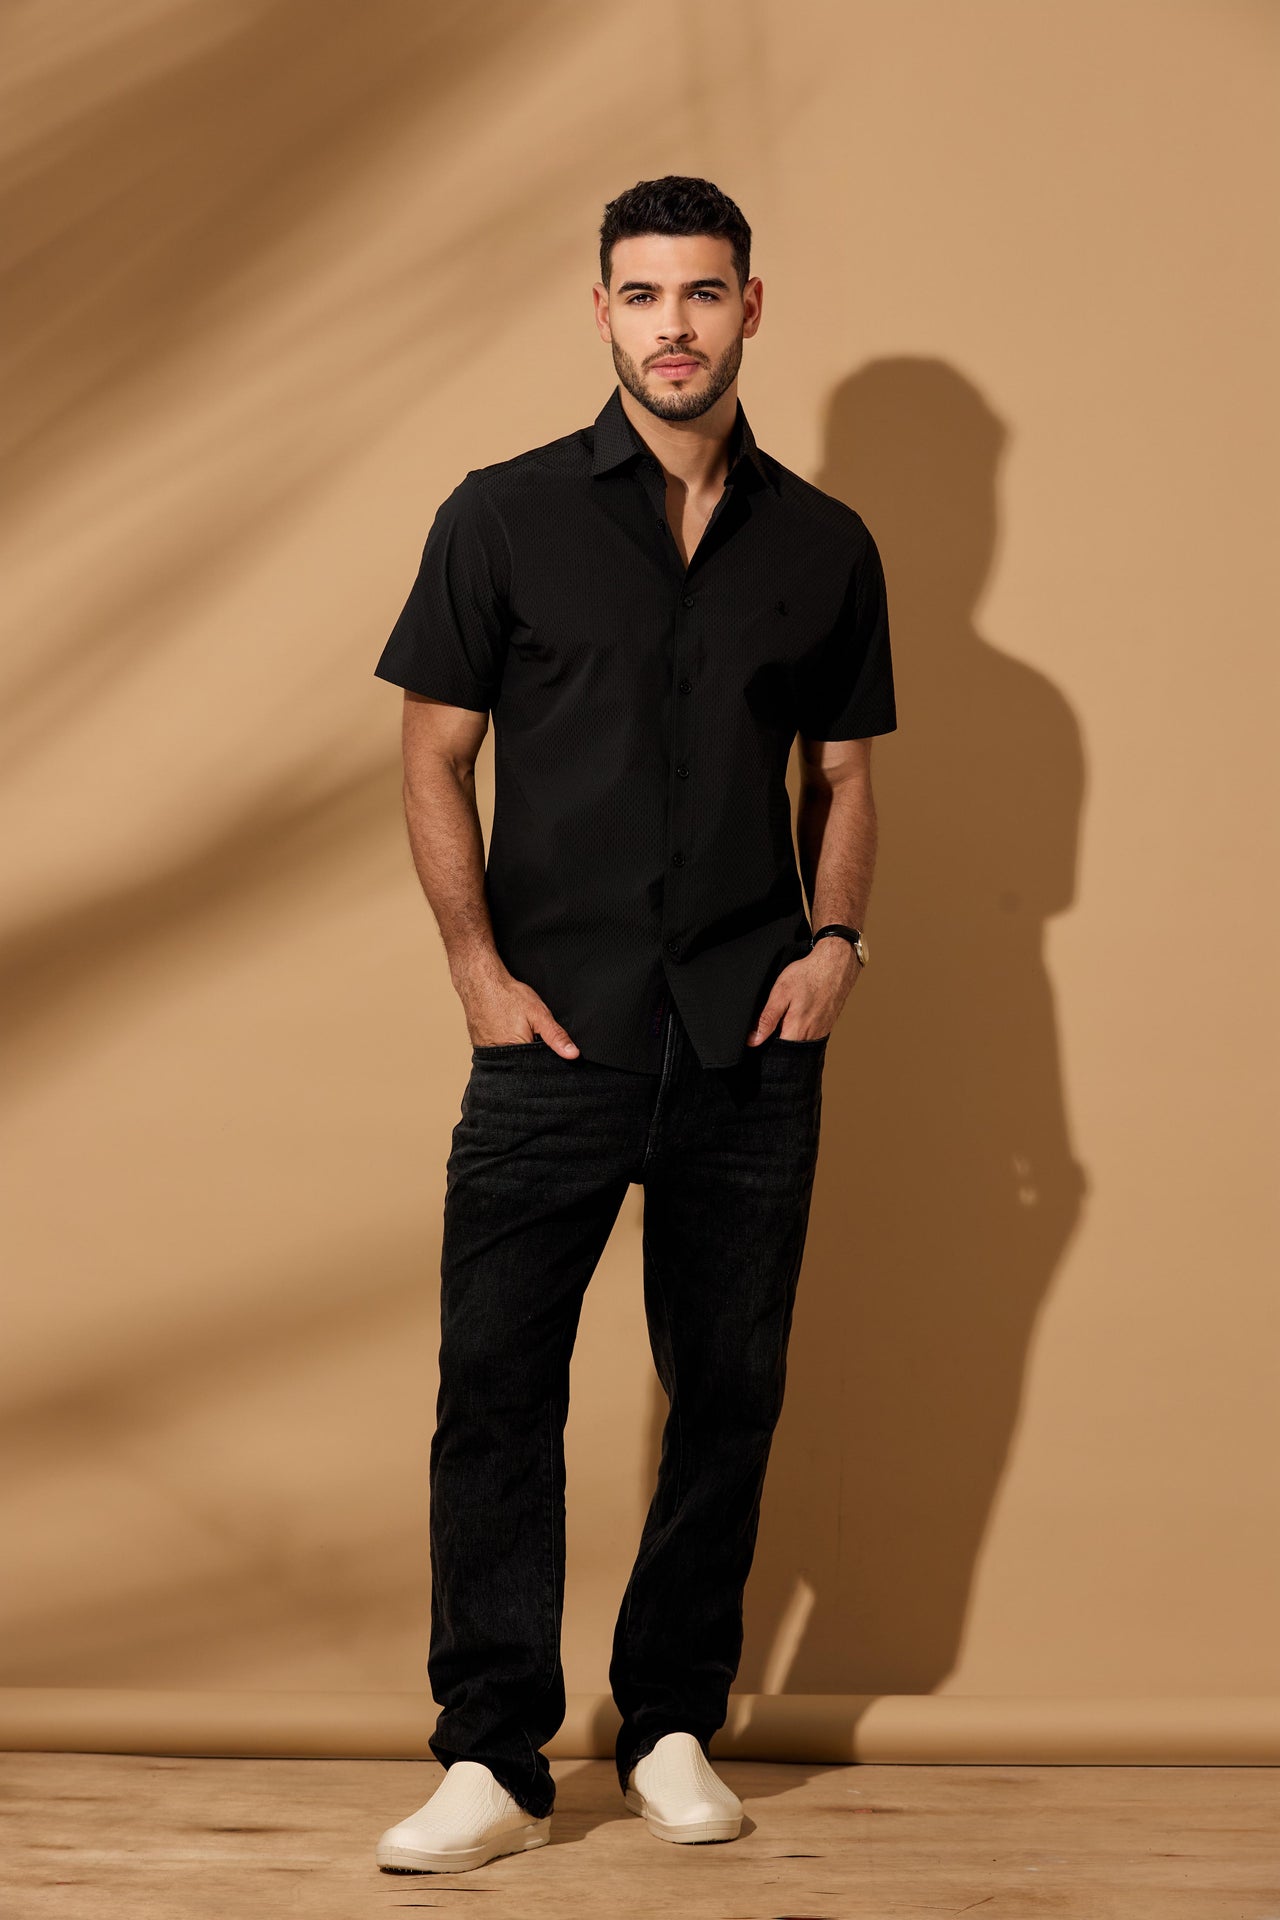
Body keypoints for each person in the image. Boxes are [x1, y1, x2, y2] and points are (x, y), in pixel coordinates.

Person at [371, 174, 897, 1876]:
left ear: (753, 308)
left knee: (727, 1394)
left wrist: (837, 945)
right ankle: (492, 1756)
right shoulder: (501, 517)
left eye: (705, 292)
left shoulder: (826, 547)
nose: (675, 325)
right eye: (645, 293)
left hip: (750, 1043)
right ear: (601, 310)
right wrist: (476, 972)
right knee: (496, 1392)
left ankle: (670, 1723)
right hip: (554, 1039)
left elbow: (844, 777)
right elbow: (433, 755)